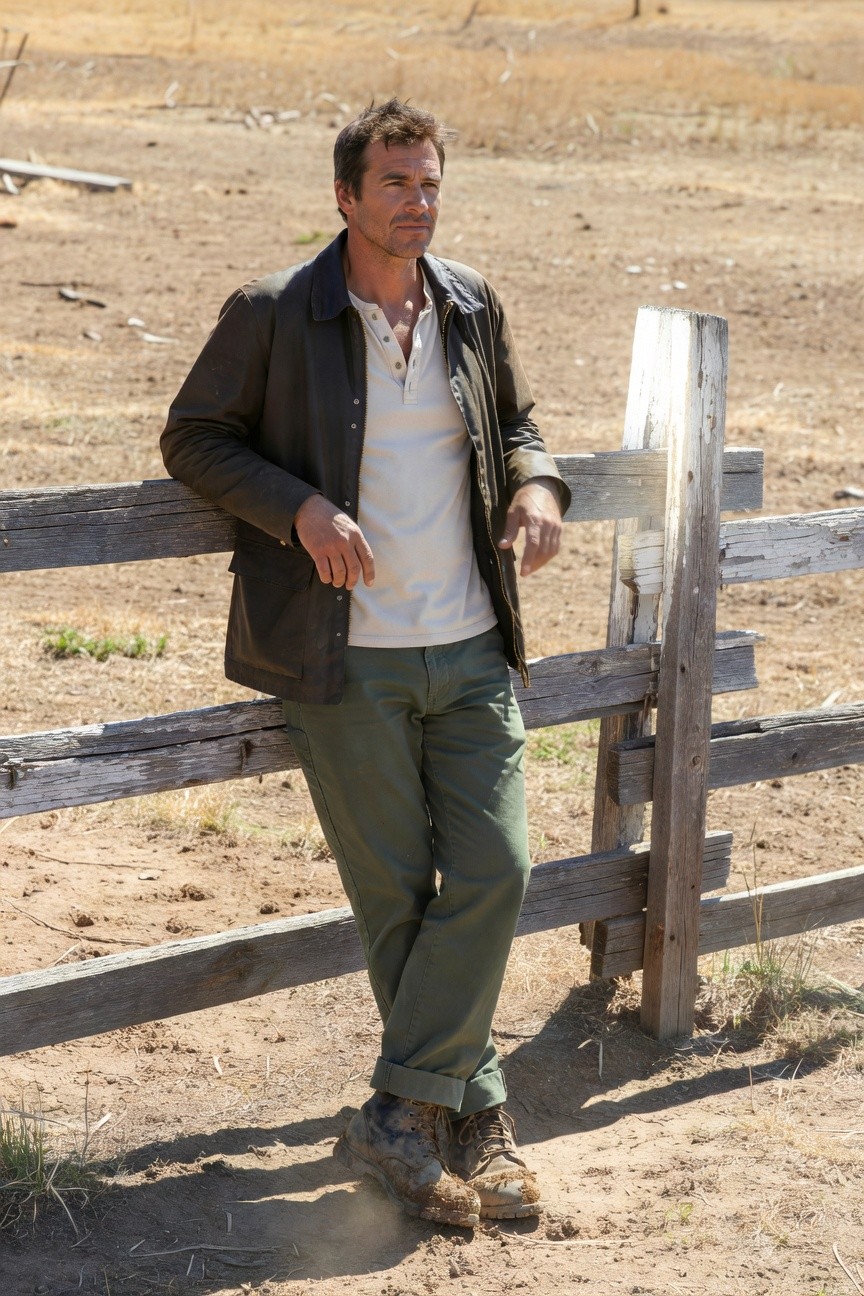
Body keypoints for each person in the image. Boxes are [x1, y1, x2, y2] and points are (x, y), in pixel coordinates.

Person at [161, 98, 570, 1230]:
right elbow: (192, 437)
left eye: (430, 183)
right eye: (396, 184)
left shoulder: (472, 304)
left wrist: (538, 486)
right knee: (396, 898)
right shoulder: (275, 312)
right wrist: (297, 510)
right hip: (342, 656)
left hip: (472, 643)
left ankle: (400, 1110)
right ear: (345, 196)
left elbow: (522, 420)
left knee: (499, 871)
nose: (417, 203)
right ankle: (475, 1119)